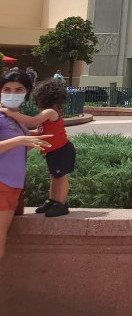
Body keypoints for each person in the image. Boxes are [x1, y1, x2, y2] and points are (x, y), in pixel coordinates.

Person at [1, 78, 76, 217]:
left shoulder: (50, 112)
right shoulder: (47, 112)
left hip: (61, 150)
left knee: (61, 177)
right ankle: (53, 200)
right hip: (53, 151)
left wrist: (11, 114)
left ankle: (61, 203)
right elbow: (41, 131)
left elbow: (32, 121)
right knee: (54, 176)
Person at [1, 72, 53, 260]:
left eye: (18, 90)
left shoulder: (15, 119)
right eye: (7, 89)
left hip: (13, 186)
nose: (12, 93)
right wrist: (19, 141)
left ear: (27, 92)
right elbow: (16, 142)